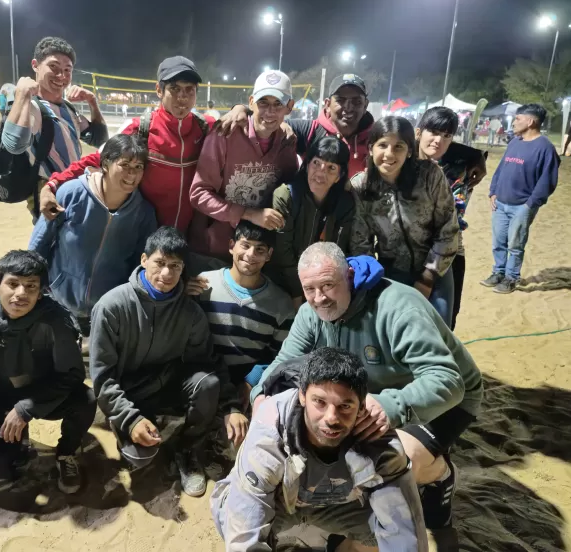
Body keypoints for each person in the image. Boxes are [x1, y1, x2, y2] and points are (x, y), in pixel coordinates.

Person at [251, 242, 483, 534]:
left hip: (445, 399)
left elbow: (447, 379)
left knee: (398, 459)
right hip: (367, 396)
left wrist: (389, 407)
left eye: (328, 285)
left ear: (348, 275)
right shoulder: (311, 313)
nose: (319, 298)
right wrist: (260, 396)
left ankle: (439, 474)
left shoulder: (398, 306)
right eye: (310, 289)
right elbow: (283, 364)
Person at [212, 347, 427, 552]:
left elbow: (405, 533)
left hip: (338, 505)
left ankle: (335, 546)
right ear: (302, 396)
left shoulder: (380, 445)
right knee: (230, 513)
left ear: (362, 406)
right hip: (280, 503)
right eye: (320, 402)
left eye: (345, 406)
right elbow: (245, 534)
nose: (331, 418)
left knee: (387, 523)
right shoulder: (269, 435)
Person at [89, 227, 247, 497]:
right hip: (129, 393)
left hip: (167, 386)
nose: (166, 274)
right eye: (159, 263)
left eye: (175, 266)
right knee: (139, 456)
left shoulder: (190, 312)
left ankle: (187, 450)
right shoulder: (111, 307)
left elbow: (208, 361)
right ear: (143, 260)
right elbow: (103, 377)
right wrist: (131, 419)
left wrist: (232, 406)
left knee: (206, 383)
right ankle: (135, 426)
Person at [0, 250, 96, 494]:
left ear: (41, 292)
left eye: (31, 286)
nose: (21, 294)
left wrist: (26, 408)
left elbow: (72, 375)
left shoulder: (56, 322)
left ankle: (66, 453)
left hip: (40, 391)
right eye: (13, 284)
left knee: (86, 399)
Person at [38, 56, 213, 232]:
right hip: (144, 235)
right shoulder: (140, 128)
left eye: (189, 89)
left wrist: (240, 110)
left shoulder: (206, 127)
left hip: (191, 238)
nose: (182, 97)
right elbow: (97, 158)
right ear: (159, 90)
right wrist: (53, 184)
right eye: (174, 89)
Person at [28, 134, 157, 334]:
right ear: (105, 164)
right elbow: (38, 245)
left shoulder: (144, 213)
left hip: (107, 312)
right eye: (124, 165)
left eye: (138, 167)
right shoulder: (70, 194)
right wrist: (36, 288)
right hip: (56, 304)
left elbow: (139, 265)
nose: (132, 175)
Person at [349, 116, 459, 327]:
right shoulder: (361, 187)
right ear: (370, 148)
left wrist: (428, 278)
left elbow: (448, 229)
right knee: (396, 334)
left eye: (398, 146)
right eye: (382, 145)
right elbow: (360, 242)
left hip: (437, 272)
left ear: (409, 150)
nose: (389, 154)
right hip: (392, 273)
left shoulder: (430, 176)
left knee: (437, 334)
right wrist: (374, 282)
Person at [189, 70, 298, 261]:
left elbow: (287, 191)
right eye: (263, 102)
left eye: (278, 104)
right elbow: (198, 194)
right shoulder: (225, 134)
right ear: (251, 102)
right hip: (213, 251)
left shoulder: (287, 141)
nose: (270, 112)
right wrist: (248, 214)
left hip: (257, 255)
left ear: (289, 106)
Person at [0, 36, 108, 218]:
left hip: (75, 187)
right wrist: (21, 96)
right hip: (50, 194)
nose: (62, 76)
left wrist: (92, 102)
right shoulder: (32, 107)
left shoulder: (68, 108)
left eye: (67, 70)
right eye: (54, 67)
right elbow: (14, 144)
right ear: (35, 65)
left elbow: (99, 139)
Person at [195, 221, 295, 406]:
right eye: (245, 245)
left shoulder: (282, 304)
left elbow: (279, 355)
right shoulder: (203, 284)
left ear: (269, 255)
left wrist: (251, 382)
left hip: (251, 387)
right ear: (232, 246)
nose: (250, 255)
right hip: (203, 379)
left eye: (259, 249)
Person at [415, 107, 488, 330]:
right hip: (406, 255)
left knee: (444, 326)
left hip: (448, 256)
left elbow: (452, 222)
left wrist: (476, 156)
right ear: (419, 132)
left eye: (447, 136)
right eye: (433, 132)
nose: (438, 140)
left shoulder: (457, 172)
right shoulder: (402, 163)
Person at [219, 73, 374, 178]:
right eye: (340, 100)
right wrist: (241, 109)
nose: (348, 107)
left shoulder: (378, 139)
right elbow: (268, 120)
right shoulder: (310, 131)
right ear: (327, 104)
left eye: (356, 101)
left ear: (365, 104)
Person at [481, 104, 559, 294]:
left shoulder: (545, 148)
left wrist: (530, 204)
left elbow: (547, 181)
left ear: (531, 121)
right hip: (500, 203)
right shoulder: (515, 142)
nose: (514, 122)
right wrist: (493, 192)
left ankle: (511, 278)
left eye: (518, 118)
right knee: (498, 242)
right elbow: (501, 169)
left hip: (522, 206)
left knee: (515, 245)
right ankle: (498, 273)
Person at [270, 136, 353, 308]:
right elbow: (282, 253)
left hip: (323, 285)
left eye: (331, 168)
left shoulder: (345, 203)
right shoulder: (286, 196)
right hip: (283, 281)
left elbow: (339, 251)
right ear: (307, 165)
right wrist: (297, 293)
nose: (321, 173)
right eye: (316, 163)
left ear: (339, 176)